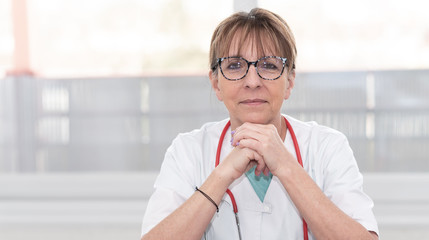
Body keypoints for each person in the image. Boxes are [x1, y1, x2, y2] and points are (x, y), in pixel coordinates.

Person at [141, 8, 379, 240]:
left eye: (269, 65)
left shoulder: (327, 146)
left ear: (289, 82)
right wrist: (222, 175)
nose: (252, 81)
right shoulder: (188, 150)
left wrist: (286, 165)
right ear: (216, 84)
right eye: (234, 66)